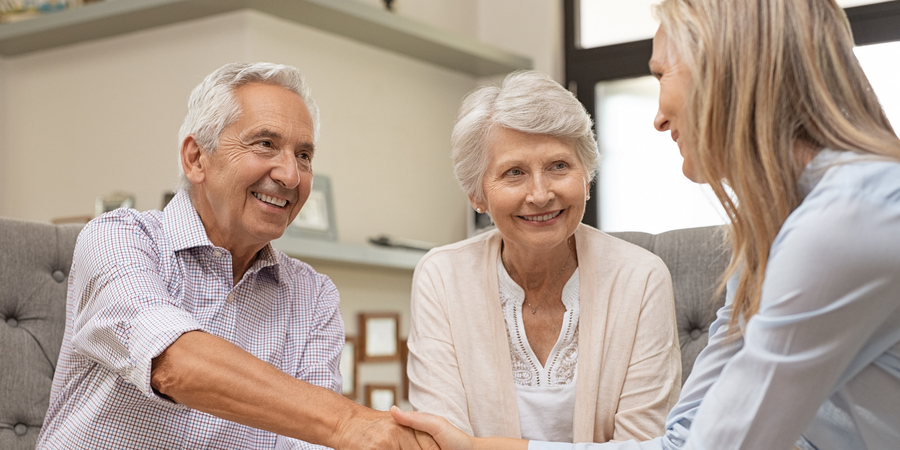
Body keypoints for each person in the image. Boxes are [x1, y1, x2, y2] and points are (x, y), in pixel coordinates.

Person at [391, 0, 900, 449]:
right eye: (514, 173)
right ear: (477, 194)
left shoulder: (846, 222)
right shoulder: (772, 236)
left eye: (660, 74)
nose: (656, 116)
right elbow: (684, 441)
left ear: (724, 72)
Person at [37, 62, 431, 450]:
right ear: (196, 159)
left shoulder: (314, 295)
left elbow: (310, 443)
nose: (291, 176)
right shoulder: (119, 236)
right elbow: (172, 363)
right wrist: (348, 422)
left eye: (304, 155)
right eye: (266, 144)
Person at [406, 70, 682, 444]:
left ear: (586, 178)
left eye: (558, 166)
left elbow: (647, 446)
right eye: (514, 172)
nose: (540, 194)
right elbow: (441, 443)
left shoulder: (642, 278)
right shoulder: (442, 276)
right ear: (477, 195)